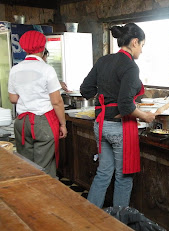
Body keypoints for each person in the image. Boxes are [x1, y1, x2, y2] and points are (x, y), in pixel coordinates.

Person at [80, 23, 156, 208]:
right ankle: (119, 226)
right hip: (118, 128)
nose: (142, 51)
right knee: (124, 177)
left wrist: (105, 93)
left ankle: (89, 216)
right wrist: (144, 116)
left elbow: (85, 90)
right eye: (142, 46)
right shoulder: (130, 66)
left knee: (104, 172)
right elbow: (125, 105)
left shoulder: (103, 61)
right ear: (135, 42)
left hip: (101, 125)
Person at [8, 30, 67, 178]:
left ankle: (28, 198)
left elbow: (13, 99)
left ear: (24, 48)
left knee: (26, 165)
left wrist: (28, 94)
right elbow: (57, 101)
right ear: (42, 48)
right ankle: (46, 200)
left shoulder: (15, 69)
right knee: (44, 167)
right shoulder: (47, 69)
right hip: (42, 122)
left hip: (21, 122)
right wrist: (63, 124)